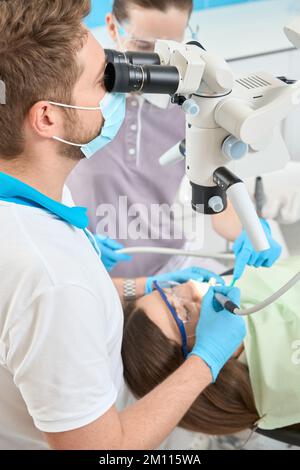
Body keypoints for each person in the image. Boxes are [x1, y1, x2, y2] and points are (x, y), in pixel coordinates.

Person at [0, 0, 246, 450]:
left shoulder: (40, 194)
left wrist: (141, 286)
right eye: (104, 79)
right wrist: (205, 362)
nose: (121, 89)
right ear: (47, 117)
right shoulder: (53, 281)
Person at [67, 0, 282, 286]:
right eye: (145, 46)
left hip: (170, 266)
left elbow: (218, 198)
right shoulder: (73, 96)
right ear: (111, 28)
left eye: (174, 49)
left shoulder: (194, 106)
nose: (162, 64)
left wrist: (252, 230)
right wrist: (73, 236)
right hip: (89, 268)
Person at [122, 256, 300, 435]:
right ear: (192, 358)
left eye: (172, 290)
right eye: (183, 311)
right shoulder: (273, 390)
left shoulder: (229, 286)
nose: (191, 285)